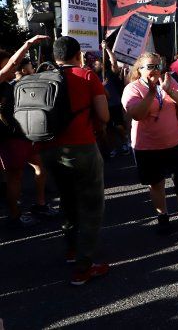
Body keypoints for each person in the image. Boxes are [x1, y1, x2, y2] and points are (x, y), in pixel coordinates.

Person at [39, 36, 111, 285]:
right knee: (91, 205)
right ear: (78, 54)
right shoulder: (86, 76)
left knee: (67, 201)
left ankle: (71, 250)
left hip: (47, 149)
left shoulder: (43, 76)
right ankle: (84, 267)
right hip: (81, 147)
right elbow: (104, 114)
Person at [122, 52, 178, 236]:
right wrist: (150, 92)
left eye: (158, 66)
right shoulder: (132, 89)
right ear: (139, 70)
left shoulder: (168, 81)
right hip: (147, 148)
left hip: (175, 143)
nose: (155, 70)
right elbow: (137, 114)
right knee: (156, 183)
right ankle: (163, 217)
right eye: (150, 66)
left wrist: (169, 90)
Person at [0, 36, 55, 228]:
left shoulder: (8, 85)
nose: (13, 68)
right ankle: (15, 216)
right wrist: (28, 44)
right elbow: (15, 62)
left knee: (40, 167)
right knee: (14, 177)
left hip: (24, 136)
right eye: (7, 65)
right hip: (9, 139)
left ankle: (40, 204)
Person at [94, 41, 130, 158]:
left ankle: (125, 142)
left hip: (114, 103)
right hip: (103, 105)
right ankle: (113, 147)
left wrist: (107, 48)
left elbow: (113, 61)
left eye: (97, 63)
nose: (95, 65)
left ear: (102, 63)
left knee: (118, 125)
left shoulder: (110, 73)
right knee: (108, 129)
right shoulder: (94, 76)